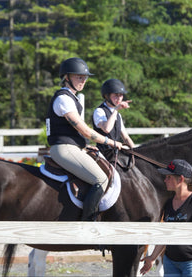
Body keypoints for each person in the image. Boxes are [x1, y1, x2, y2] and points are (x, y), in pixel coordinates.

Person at [45, 57, 122, 221]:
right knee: (101, 179)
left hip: (72, 147)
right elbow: (85, 131)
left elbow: (76, 134)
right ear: (67, 77)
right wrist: (111, 142)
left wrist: (85, 147)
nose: (83, 80)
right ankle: (88, 224)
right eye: (79, 77)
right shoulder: (64, 99)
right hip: (63, 148)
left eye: (85, 77)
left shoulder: (72, 98)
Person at [92, 79, 135, 152]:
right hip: (103, 153)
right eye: (116, 95)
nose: (119, 98)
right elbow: (107, 129)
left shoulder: (118, 115)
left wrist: (136, 152)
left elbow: (126, 138)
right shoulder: (99, 111)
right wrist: (116, 110)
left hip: (115, 154)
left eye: (121, 95)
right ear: (107, 96)